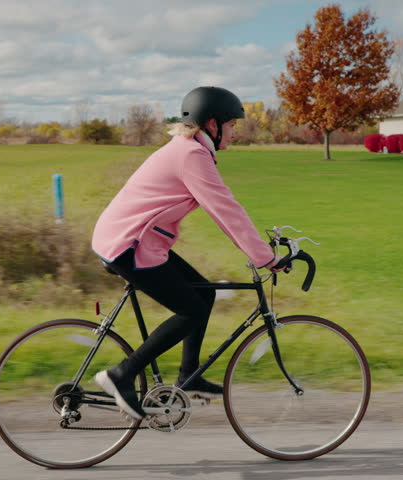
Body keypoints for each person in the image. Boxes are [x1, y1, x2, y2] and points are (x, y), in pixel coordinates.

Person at [91, 86, 283, 420]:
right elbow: (226, 211)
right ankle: (121, 375)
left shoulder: (189, 150)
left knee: (203, 295)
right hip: (130, 245)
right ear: (212, 123)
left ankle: (188, 377)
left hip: (136, 241)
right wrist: (265, 257)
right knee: (190, 310)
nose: (235, 133)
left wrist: (258, 251)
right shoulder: (191, 156)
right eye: (232, 125)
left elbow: (225, 211)